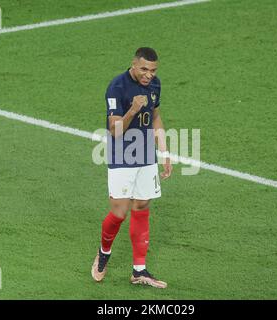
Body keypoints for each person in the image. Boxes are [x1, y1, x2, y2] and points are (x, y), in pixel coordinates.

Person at [91, 47, 172, 288]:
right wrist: (133, 109)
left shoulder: (155, 85)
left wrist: (165, 151)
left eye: (153, 70)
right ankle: (104, 252)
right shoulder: (117, 87)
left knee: (142, 206)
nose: (149, 75)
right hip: (122, 155)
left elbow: (156, 117)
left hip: (146, 156)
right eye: (144, 69)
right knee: (119, 212)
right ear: (134, 65)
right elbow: (114, 130)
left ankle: (139, 270)